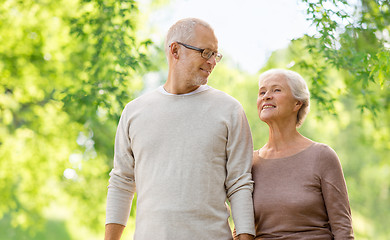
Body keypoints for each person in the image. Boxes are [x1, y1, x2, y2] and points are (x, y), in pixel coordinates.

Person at [105, 18, 255, 240]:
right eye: (206, 53)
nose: (213, 62)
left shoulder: (229, 110)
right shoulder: (134, 112)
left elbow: (239, 183)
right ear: (175, 50)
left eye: (216, 54)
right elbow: (122, 183)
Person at [251, 69, 354, 239]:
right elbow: (242, 227)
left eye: (276, 90)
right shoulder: (250, 163)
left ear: (297, 103)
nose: (266, 96)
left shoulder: (322, 156)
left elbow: (343, 229)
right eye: (262, 92)